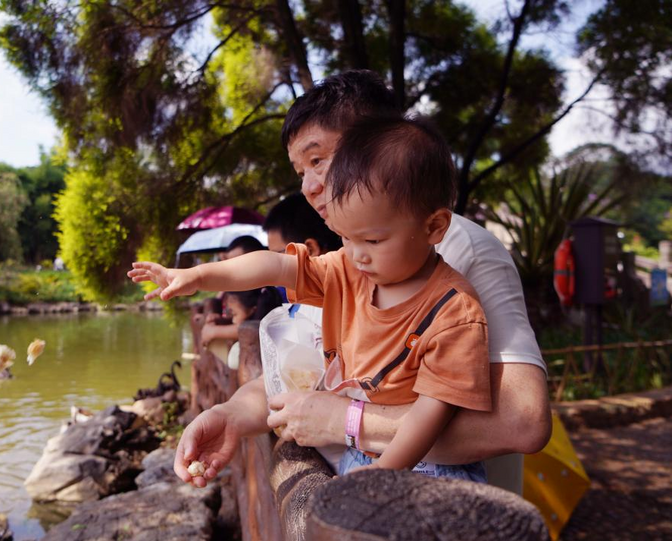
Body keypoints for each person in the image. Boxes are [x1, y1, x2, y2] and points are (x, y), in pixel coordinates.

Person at [169, 70, 551, 491]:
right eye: (299, 170)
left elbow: (523, 421)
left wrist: (344, 421)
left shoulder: (463, 254)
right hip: (347, 492)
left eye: (318, 160)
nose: (310, 187)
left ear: (379, 144)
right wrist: (232, 416)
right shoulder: (354, 256)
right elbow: (320, 375)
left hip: (439, 499)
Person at [133, 114, 493, 480]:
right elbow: (273, 266)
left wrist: (376, 478)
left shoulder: (454, 313)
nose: (356, 254)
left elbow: (429, 415)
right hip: (362, 454)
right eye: (345, 237)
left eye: (372, 240)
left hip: (433, 472)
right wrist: (197, 276)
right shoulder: (348, 271)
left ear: (434, 227)